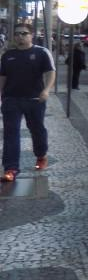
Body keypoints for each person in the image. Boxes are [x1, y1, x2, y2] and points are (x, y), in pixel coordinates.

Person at [0, 25, 56, 181]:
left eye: (24, 33)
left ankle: (41, 155)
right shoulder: (8, 55)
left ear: (31, 35)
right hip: (11, 100)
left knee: (37, 130)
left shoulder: (41, 52)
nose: (20, 36)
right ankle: (11, 169)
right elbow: (2, 76)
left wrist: (46, 90)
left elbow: (51, 72)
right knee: (11, 133)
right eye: (17, 34)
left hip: (34, 100)